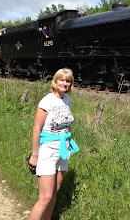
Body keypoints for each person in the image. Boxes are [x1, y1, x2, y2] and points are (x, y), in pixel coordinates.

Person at [29, 68, 79, 220]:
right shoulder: (47, 100)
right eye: (62, 80)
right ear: (55, 81)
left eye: (68, 81)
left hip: (63, 151)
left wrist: (69, 141)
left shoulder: (67, 100)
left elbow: (67, 124)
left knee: (54, 192)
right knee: (45, 197)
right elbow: (36, 128)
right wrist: (35, 155)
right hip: (48, 151)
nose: (65, 83)